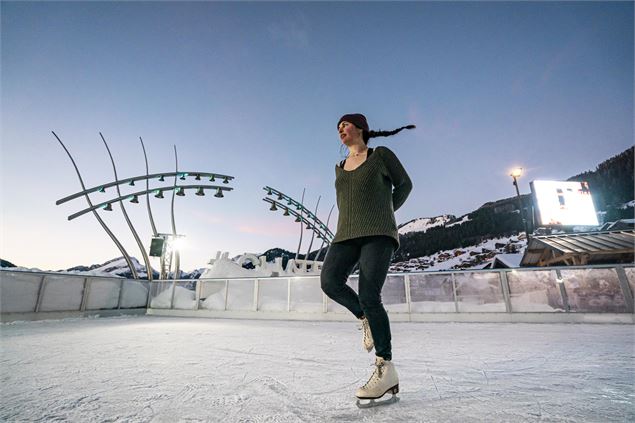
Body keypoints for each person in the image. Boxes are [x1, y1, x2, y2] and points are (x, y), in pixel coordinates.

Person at [320, 113, 414, 404]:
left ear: (360, 128)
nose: (340, 130)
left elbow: (405, 186)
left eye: (345, 125)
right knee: (330, 281)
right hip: (345, 235)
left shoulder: (380, 155)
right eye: (338, 128)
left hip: (378, 233)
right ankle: (365, 319)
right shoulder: (339, 168)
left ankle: (385, 370)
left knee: (370, 294)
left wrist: (385, 214)